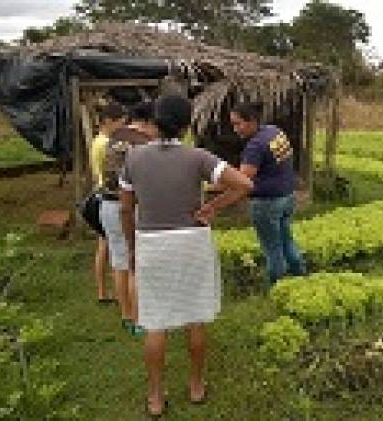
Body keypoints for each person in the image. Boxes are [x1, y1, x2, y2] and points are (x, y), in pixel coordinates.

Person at [119, 95, 253, 416]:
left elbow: (126, 207)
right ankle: (195, 386)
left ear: (153, 121)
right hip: (192, 242)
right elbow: (244, 183)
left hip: (152, 242)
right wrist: (211, 207)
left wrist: (132, 247)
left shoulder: (133, 159)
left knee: (155, 321)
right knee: (195, 316)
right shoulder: (198, 157)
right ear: (185, 125)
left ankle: (155, 397)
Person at [224, 101, 307, 287]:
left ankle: (277, 287)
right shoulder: (275, 132)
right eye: (233, 124)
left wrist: (215, 184)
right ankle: (300, 276)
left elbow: (241, 179)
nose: (235, 129)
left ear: (252, 121)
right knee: (286, 240)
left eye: (238, 124)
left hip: (267, 203)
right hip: (287, 197)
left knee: (273, 249)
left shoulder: (255, 146)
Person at [101, 101, 155, 336]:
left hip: (107, 205)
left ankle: (126, 316)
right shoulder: (142, 143)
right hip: (128, 207)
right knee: (135, 262)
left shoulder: (116, 137)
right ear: (148, 123)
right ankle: (140, 319)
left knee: (119, 260)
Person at [90, 102, 126, 303]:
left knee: (104, 246)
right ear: (108, 122)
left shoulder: (98, 140)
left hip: (101, 194)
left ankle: (103, 292)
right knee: (113, 248)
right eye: (120, 124)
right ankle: (115, 292)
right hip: (110, 196)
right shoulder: (107, 144)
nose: (123, 128)